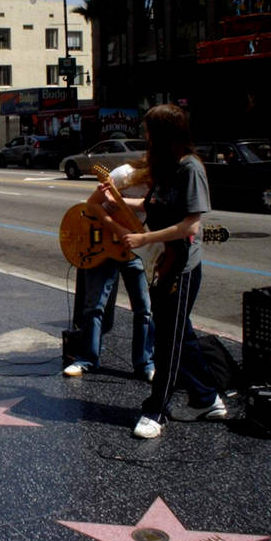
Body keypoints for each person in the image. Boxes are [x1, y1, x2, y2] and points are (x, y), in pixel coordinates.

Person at [108, 104, 226, 439]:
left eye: (149, 131)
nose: (145, 137)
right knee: (178, 334)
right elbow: (151, 205)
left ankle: (156, 410)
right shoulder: (166, 166)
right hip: (163, 262)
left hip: (182, 265)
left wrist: (144, 237)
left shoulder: (190, 168)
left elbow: (192, 223)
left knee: (168, 340)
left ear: (165, 134)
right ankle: (207, 397)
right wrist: (116, 200)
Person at [63, 162, 155, 381]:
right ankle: (86, 359)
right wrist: (118, 228)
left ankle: (145, 363)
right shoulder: (124, 174)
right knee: (94, 305)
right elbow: (92, 204)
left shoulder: (165, 182)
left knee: (144, 308)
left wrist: (122, 204)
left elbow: (152, 206)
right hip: (105, 244)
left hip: (135, 249)